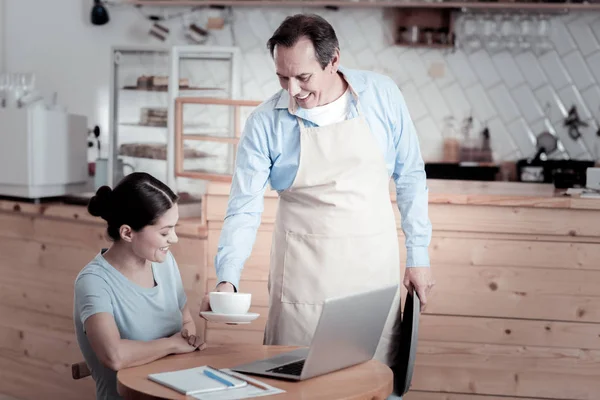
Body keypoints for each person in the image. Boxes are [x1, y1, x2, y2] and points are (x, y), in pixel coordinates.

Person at [202, 14, 435, 397]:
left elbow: (410, 175)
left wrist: (419, 256)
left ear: (333, 61)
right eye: (282, 77)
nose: (292, 90)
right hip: (301, 281)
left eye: (303, 77)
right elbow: (244, 207)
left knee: (371, 384)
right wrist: (228, 276)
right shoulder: (265, 123)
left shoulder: (382, 95)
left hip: (371, 276)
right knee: (294, 386)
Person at [74, 172, 205, 400]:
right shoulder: (94, 281)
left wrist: (184, 341)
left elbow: (186, 322)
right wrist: (171, 345)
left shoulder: (165, 263)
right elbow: (114, 355)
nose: (174, 239)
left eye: (174, 228)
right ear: (127, 233)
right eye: (165, 232)